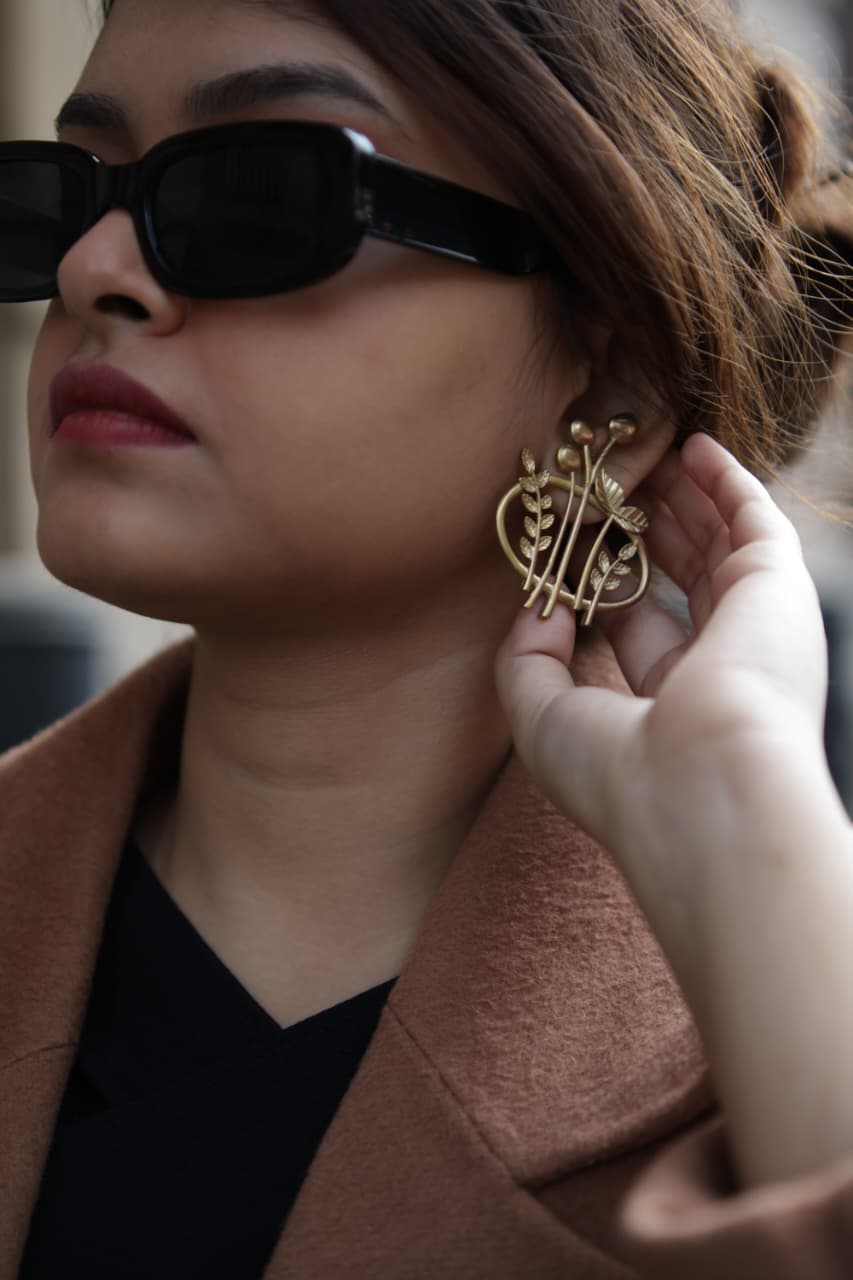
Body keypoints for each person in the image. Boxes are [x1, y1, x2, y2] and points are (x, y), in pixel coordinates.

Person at [0, 0, 852, 1275]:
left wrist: (746, 819)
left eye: (255, 194)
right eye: (67, 197)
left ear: (610, 386)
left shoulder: (770, 1030)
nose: (93, 269)